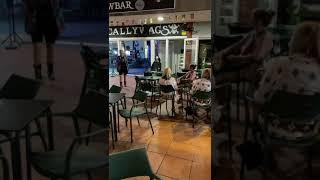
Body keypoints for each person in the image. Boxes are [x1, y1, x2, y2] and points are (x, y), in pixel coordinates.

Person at [254, 22, 320, 140]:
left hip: (275, 128)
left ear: (295, 40)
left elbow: (259, 99)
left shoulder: (279, 64)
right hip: (311, 131)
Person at [215, 9, 275, 84]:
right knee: (220, 65)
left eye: (252, 18)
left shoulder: (267, 37)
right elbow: (237, 44)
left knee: (222, 77)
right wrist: (223, 52)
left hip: (256, 68)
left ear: (259, 21)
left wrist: (236, 58)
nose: (250, 20)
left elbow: (257, 57)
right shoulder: (253, 33)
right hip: (244, 64)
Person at [25, 0, 64, 80]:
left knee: (50, 45)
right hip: (35, 17)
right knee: (37, 46)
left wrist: (59, 18)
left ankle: (50, 71)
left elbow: (57, 4)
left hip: (50, 16)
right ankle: (38, 72)